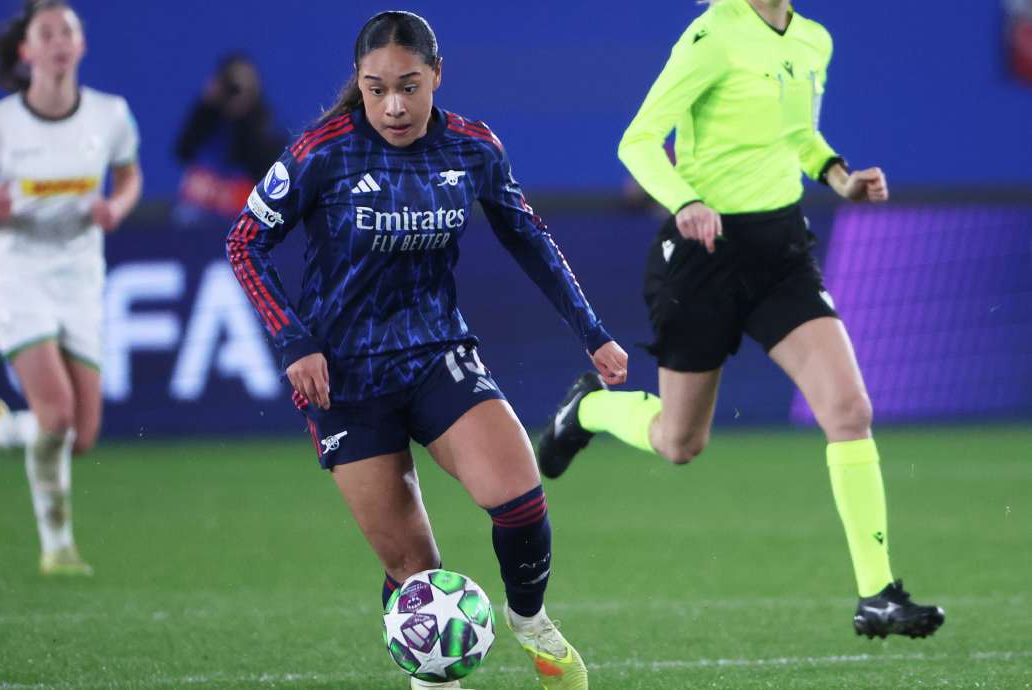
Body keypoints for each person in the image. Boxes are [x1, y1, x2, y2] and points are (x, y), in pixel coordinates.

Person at [225, 11, 627, 690]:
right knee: (417, 578)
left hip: (437, 352)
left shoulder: (472, 149)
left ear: (437, 76)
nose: (394, 105)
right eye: (377, 87)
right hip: (346, 379)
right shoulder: (322, 151)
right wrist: (294, 339)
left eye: (409, 85)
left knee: (521, 498)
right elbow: (244, 242)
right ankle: (433, 678)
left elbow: (530, 239)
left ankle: (528, 619)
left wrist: (593, 332)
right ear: (359, 82)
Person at [536, 0, 945, 640]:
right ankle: (587, 410)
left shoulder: (814, 40)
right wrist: (686, 200)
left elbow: (798, 136)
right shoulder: (711, 35)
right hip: (703, 258)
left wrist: (838, 177)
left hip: (781, 253)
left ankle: (878, 596)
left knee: (849, 411)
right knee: (680, 442)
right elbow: (637, 140)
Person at [0, 0, 142, 576]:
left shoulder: (110, 115)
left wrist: (117, 206)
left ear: (79, 47)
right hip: (17, 270)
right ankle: (57, 548)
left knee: (82, 435)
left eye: (68, 32)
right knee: (56, 416)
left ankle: (2, 428)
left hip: (79, 272)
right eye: (46, 33)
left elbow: (129, 176)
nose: (59, 41)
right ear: (27, 51)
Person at [172, 55, 286, 228]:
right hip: (205, 209)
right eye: (231, 86)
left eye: (243, 87)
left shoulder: (262, 122)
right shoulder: (208, 116)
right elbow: (183, 152)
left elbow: (263, 167)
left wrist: (245, 117)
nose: (236, 93)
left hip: (250, 210)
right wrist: (204, 106)